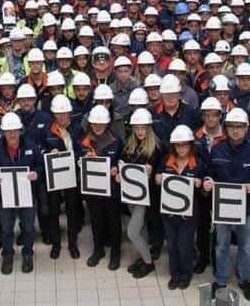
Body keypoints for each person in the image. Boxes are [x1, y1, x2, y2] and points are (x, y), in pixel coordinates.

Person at [203, 107, 250, 301]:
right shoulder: (217, 149)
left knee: (246, 246)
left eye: (239, 126)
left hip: (247, 209)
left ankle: (244, 279)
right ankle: (221, 280)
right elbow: (209, 172)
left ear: (247, 128)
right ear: (226, 127)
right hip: (223, 208)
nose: (235, 130)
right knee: (221, 245)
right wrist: (207, 182)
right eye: (231, 126)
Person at [0, 111, 41, 274]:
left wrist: (36, 174)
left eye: (15, 130)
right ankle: (8, 255)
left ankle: (28, 254)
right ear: (3, 132)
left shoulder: (31, 146)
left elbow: (40, 165)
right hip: (6, 195)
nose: (12, 134)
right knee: (6, 228)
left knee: (28, 227)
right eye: (8, 131)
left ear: (20, 130)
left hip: (27, 194)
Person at [156, 124, 203, 289]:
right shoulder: (166, 161)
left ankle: (186, 274)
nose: (181, 148)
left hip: (188, 216)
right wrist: (158, 178)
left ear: (190, 145)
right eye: (178, 145)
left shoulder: (197, 164)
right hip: (169, 214)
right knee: (172, 246)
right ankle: (174, 275)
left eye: (184, 145)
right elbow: (157, 176)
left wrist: (200, 183)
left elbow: (205, 186)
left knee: (185, 246)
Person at [78, 104, 123, 270]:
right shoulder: (83, 141)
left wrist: (117, 168)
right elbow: (76, 160)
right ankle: (98, 251)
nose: (97, 126)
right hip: (92, 189)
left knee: (113, 221)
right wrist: (83, 159)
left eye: (101, 123)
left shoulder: (116, 140)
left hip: (111, 189)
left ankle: (116, 253)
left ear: (107, 124)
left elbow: (123, 159)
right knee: (96, 220)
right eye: (94, 124)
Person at [119, 108, 161, 278]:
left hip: (146, 198)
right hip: (131, 195)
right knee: (140, 229)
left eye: (143, 128)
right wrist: (118, 169)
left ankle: (149, 262)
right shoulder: (129, 145)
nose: (140, 131)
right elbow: (122, 162)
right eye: (137, 128)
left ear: (149, 128)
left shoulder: (156, 148)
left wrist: (153, 170)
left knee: (132, 231)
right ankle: (144, 258)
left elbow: (162, 170)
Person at [43, 94, 83, 259]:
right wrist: (48, 153)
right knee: (53, 211)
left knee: (72, 210)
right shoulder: (47, 130)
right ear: (53, 115)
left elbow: (82, 149)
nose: (62, 116)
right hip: (53, 177)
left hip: (72, 176)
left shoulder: (78, 129)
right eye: (58, 114)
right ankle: (56, 244)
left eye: (65, 113)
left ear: (70, 113)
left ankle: (73, 244)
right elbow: (40, 150)